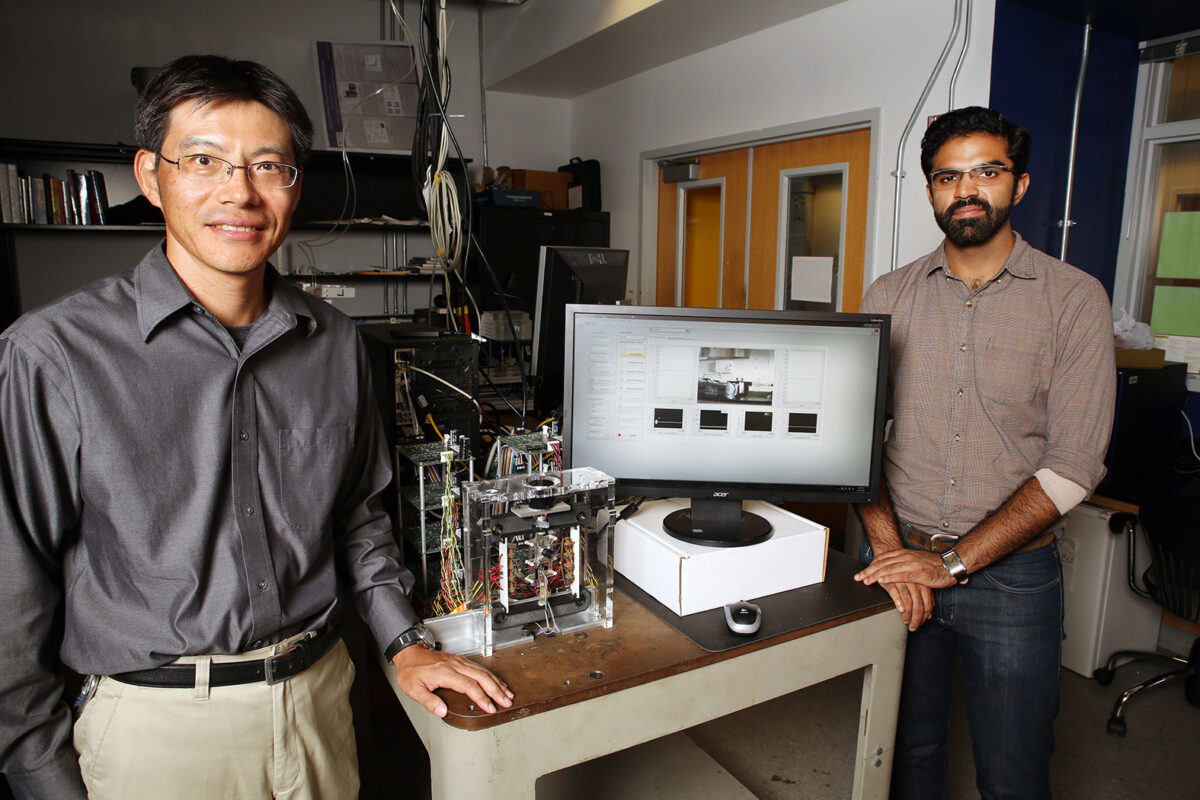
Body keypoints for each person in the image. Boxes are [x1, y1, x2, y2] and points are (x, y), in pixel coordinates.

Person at [0, 55, 511, 800]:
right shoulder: (53, 354)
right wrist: (40, 774)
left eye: (269, 166)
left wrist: (404, 642)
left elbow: (358, 521)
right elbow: (13, 586)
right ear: (152, 176)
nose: (238, 192)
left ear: (294, 186)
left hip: (318, 702)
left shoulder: (335, 342)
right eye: (204, 160)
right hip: (156, 727)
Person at [852, 106, 1116, 800]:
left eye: (987, 172)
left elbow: (1074, 464)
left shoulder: (1075, 300)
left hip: (1013, 581)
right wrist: (889, 552)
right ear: (932, 192)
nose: (967, 190)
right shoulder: (888, 296)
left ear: (1019, 185)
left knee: (1013, 769)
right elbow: (857, 443)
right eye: (948, 177)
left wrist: (952, 562)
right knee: (905, 754)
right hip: (900, 560)